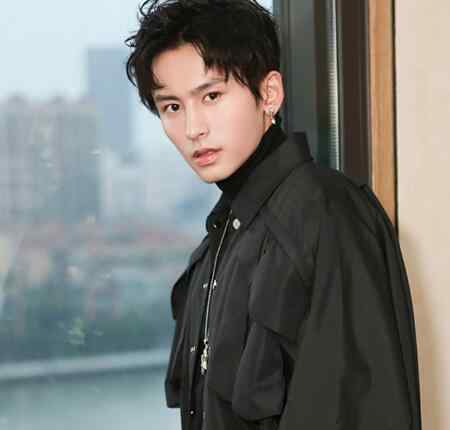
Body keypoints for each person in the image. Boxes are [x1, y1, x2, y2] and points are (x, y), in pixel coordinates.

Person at [124, 1, 422, 429]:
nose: (192, 129)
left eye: (211, 96)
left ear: (269, 94)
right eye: (171, 107)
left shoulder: (329, 215)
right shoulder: (218, 244)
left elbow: (364, 412)